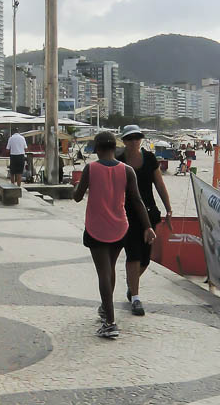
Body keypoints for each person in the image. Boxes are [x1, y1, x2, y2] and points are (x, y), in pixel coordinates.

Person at [73, 130, 156, 339]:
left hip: (96, 228)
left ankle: (110, 323)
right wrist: (148, 226)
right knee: (110, 269)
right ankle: (105, 307)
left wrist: (77, 186)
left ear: (97, 149)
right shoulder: (127, 170)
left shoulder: (90, 168)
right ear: (114, 148)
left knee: (103, 272)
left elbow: (77, 197)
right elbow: (137, 200)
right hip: (120, 228)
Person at [117, 125, 173, 316]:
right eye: (130, 138)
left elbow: (159, 184)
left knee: (145, 259)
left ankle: (131, 284)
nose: (134, 141)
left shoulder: (149, 159)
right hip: (127, 214)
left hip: (149, 213)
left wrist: (169, 208)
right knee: (133, 254)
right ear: (124, 141)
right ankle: (136, 298)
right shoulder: (119, 160)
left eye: (137, 137)